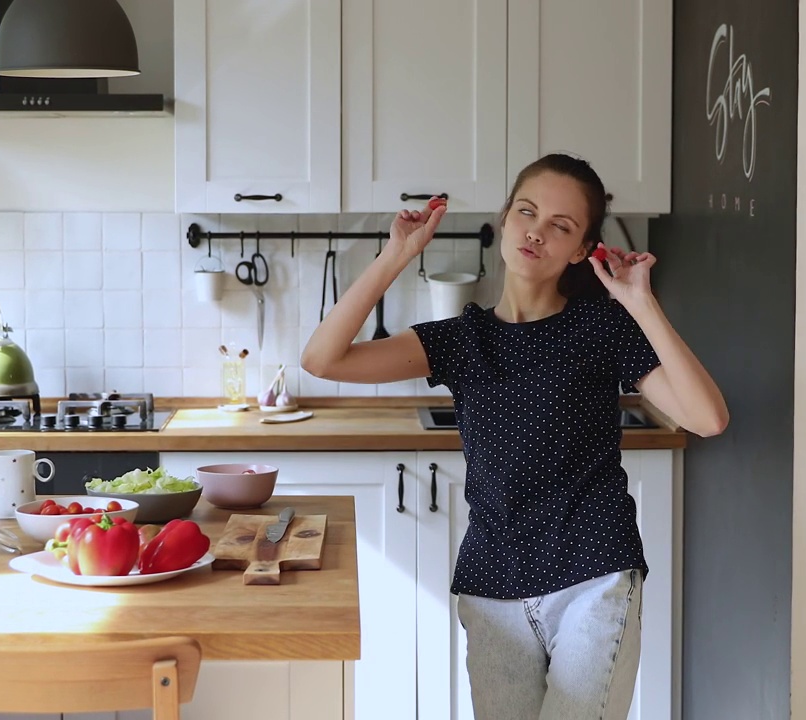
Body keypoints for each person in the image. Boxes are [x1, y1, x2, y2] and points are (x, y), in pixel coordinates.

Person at [301, 153, 728, 720]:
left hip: (593, 574)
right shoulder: (460, 339)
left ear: (581, 250)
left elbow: (707, 418)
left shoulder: (603, 324)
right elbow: (322, 359)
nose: (536, 231)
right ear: (504, 218)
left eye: (562, 225)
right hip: (492, 583)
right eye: (526, 211)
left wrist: (640, 302)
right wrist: (397, 254)